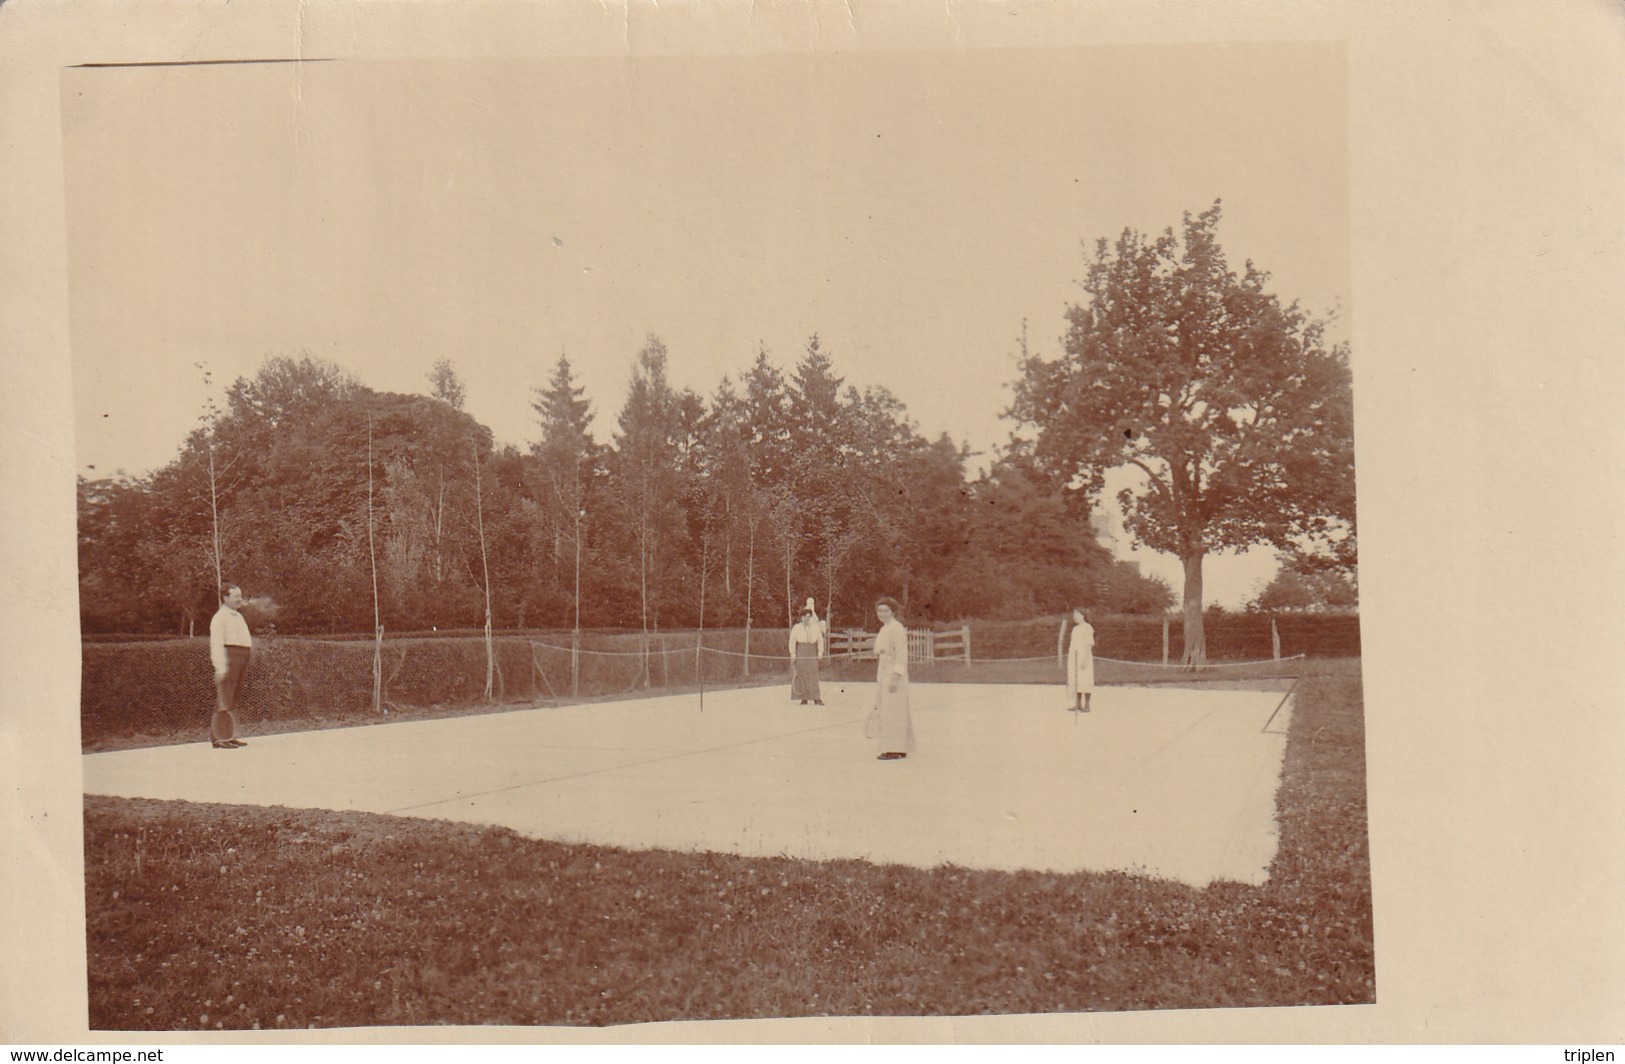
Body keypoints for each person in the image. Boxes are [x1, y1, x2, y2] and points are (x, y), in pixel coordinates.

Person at [209, 584, 253, 749]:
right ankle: (220, 738)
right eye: (236, 596)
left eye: (240, 596)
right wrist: (220, 667)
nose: (239, 599)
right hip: (230, 658)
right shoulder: (220, 617)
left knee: (232, 697)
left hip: (241, 657)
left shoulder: (238, 616)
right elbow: (216, 644)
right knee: (224, 697)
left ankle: (227, 734)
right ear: (225, 598)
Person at [872, 596, 913, 760]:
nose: (882, 614)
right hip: (884, 670)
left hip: (894, 672)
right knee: (887, 709)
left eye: (886, 611)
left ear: (893, 612)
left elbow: (902, 654)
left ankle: (894, 749)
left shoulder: (897, 628)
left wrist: (896, 676)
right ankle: (896, 746)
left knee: (894, 710)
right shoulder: (884, 628)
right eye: (879, 611)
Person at [788, 597, 826, 705]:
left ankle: (816, 698)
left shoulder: (815, 628)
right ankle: (803, 698)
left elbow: (820, 640)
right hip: (801, 652)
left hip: (812, 652)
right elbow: (792, 641)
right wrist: (793, 654)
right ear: (801, 618)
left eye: (809, 617)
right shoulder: (796, 628)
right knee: (801, 674)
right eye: (805, 617)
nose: (807, 619)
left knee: (813, 674)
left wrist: (820, 652)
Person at [1066, 606, 1095, 713]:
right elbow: (1072, 645)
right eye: (1074, 615)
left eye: (1076, 614)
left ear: (1082, 615)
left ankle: (1087, 705)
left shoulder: (1088, 627)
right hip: (1075, 659)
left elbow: (1089, 644)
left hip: (1084, 658)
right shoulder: (1075, 629)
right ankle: (1078, 704)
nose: (1074, 617)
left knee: (1086, 680)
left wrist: (1084, 660)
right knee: (1076, 680)